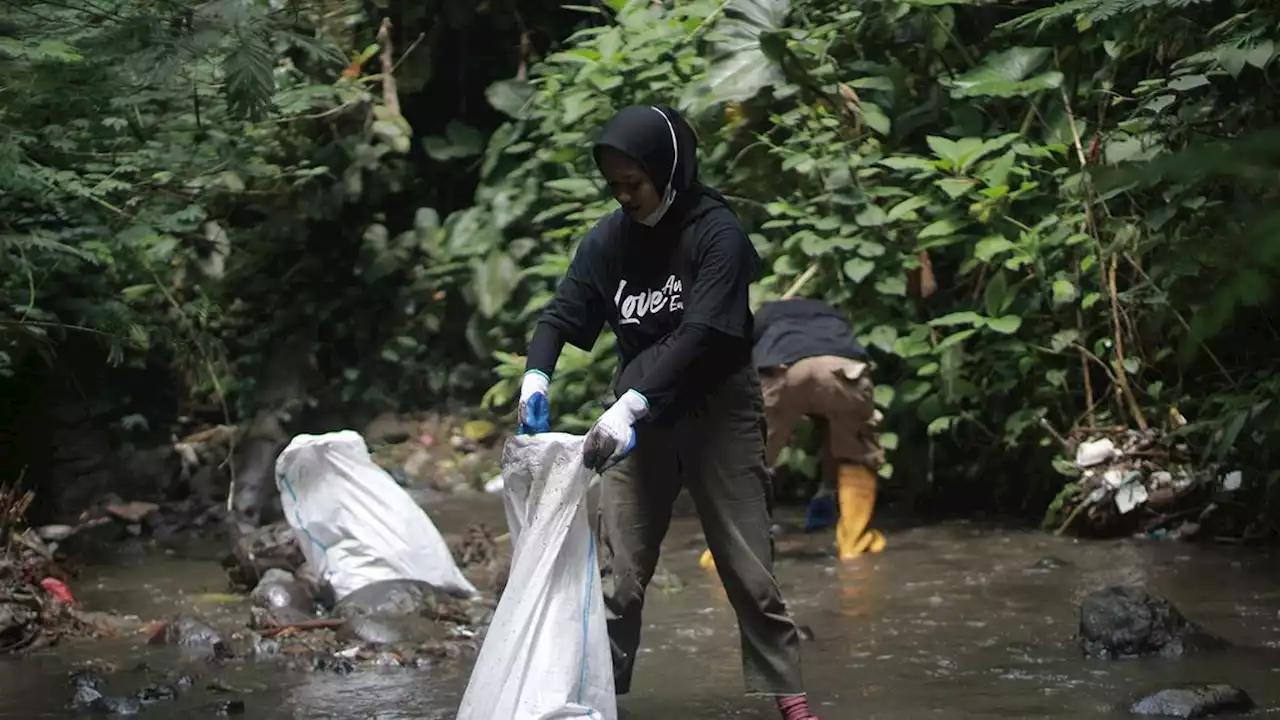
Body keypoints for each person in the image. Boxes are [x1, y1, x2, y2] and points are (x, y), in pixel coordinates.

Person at [515, 105, 819, 720]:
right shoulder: (609, 241)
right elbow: (560, 317)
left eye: (635, 182)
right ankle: (595, 702)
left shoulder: (716, 236)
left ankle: (790, 699)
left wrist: (630, 406)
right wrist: (535, 378)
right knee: (617, 579)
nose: (625, 195)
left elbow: (702, 334)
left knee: (750, 572)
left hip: (717, 411)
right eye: (615, 185)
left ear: (669, 170)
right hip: (636, 424)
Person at [699, 297, 886, 569]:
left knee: (749, 461)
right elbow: (832, 429)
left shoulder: (764, 317)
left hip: (778, 368)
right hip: (841, 369)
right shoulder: (833, 316)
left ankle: (725, 554)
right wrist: (828, 488)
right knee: (858, 452)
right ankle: (853, 545)